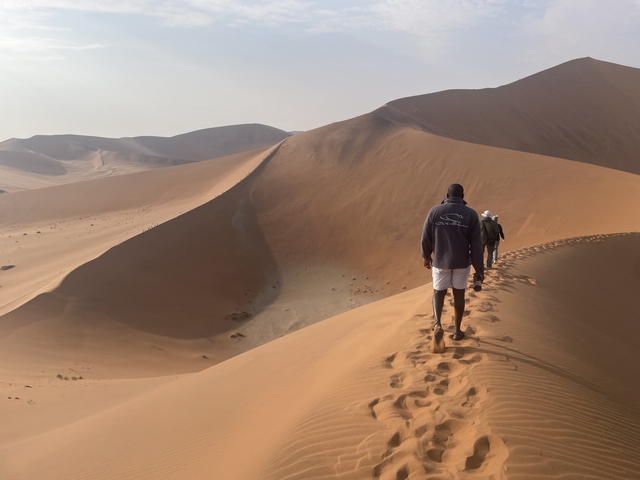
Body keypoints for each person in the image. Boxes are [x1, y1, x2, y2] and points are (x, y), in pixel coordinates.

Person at [421, 184, 484, 342]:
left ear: (446, 195)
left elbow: (425, 237)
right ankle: (456, 331)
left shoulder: (435, 211)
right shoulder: (470, 214)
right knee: (459, 294)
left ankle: (437, 323)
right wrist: (479, 269)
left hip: (440, 261)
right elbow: (476, 245)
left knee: (438, 292)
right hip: (461, 263)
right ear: (463, 196)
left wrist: (426, 256)